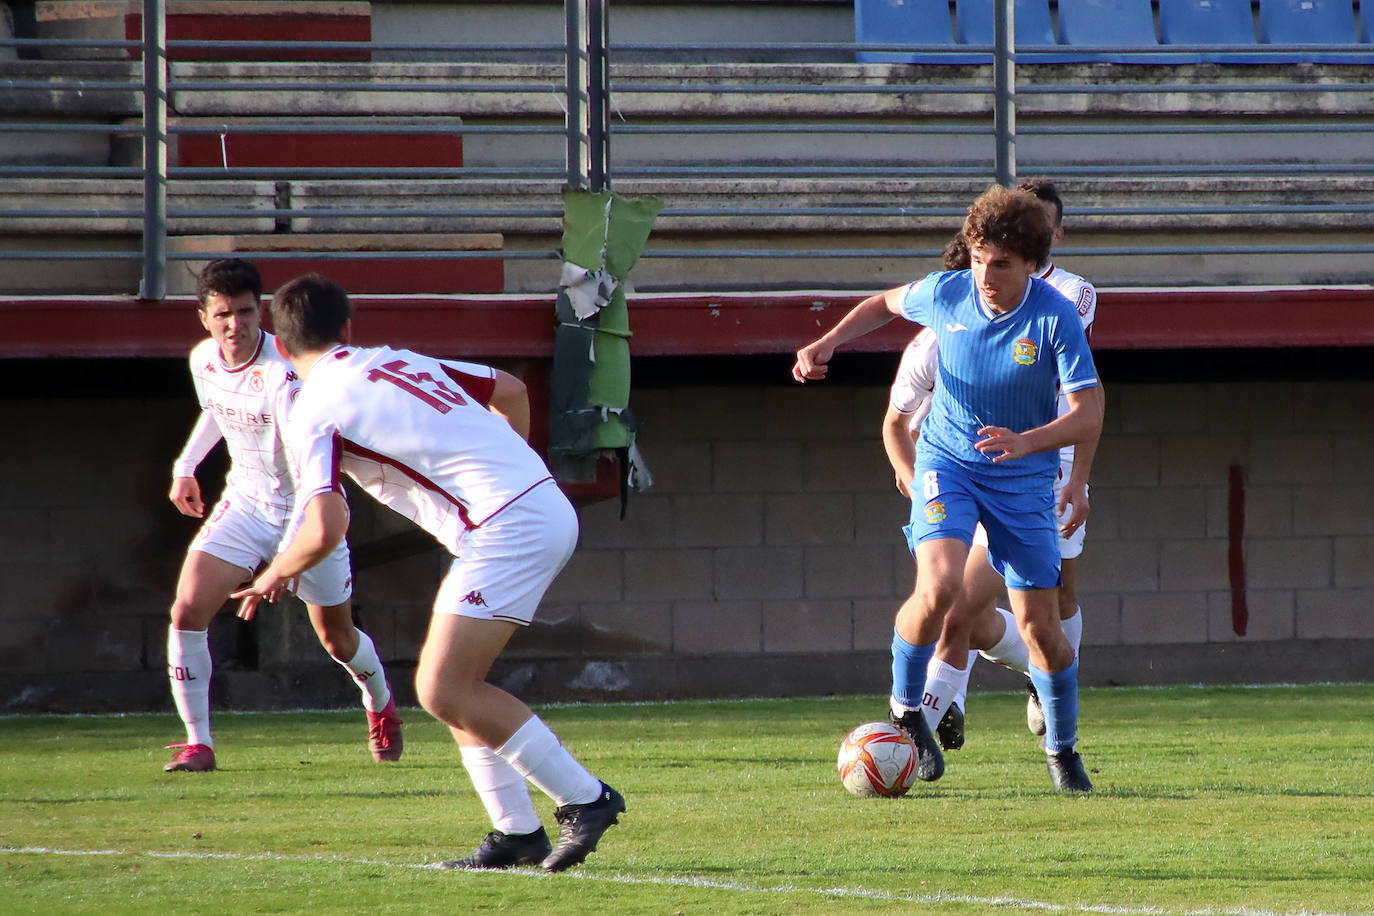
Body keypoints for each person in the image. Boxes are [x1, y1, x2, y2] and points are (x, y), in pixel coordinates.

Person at [231, 274, 624, 871]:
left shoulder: (313, 406)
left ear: (279, 347)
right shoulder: (393, 360)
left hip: (511, 523)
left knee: (442, 687)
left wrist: (273, 573)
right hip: (526, 508)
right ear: (348, 330)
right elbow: (512, 390)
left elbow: (325, 526)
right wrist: (508, 473)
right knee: (457, 688)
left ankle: (586, 799)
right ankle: (516, 831)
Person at [795, 185, 1104, 792]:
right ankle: (907, 713)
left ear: (1033, 264)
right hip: (948, 462)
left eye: (1003, 264)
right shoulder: (947, 293)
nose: (986, 274)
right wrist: (828, 341)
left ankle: (1062, 751)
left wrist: (1035, 446)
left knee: (1041, 626)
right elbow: (882, 304)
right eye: (980, 258)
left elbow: (1090, 411)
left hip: (1024, 480)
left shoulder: (1054, 315)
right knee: (939, 590)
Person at [163, 259, 403, 774]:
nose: (235, 325)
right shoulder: (204, 360)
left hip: (308, 512)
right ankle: (198, 744)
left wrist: (286, 563)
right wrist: (186, 466)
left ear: (261, 312)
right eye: (223, 314)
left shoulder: (284, 372)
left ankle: (380, 702)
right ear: (204, 317)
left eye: (246, 312)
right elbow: (216, 409)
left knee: (337, 641)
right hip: (245, 503)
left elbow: (308, 471)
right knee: (187, 610)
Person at [916, 179, 1101, 750]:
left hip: (1049, 464)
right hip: (976, 467)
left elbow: (1083, 400)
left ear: (1048, 241)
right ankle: (932, 712)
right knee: (958, 601)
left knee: (1052, 608)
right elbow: (905, 402)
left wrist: (1077, 479)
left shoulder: (1069, 296)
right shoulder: (958, 303)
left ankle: (1039, 679)